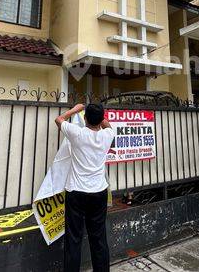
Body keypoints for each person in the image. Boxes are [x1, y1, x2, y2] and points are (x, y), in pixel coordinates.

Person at [54, 103, 114, 272]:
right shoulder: (108, 135)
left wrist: (75, 110)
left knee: (74, 239)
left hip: (77, 193)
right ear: (101, 119)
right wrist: (100, 117)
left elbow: (59, 120)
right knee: (99, 238)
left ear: (85, 118)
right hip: (99, 193)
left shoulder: (77, 133)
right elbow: (106, 124)